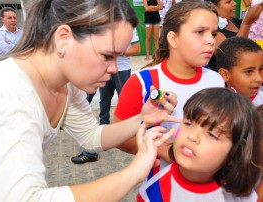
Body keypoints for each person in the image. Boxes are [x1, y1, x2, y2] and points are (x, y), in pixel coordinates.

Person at [0, 0, 181, 201]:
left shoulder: (66, 84)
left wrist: (143, 118)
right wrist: (135, 171)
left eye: (118, 57)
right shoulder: (9, 92)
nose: (114, 68)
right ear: (63, 38)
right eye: (107, 55)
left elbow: (91, 136)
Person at [113, 1, 225, 177]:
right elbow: (117, 136)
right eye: (200, 32)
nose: (211, 41)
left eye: (214, 33)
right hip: (161, 186)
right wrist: (164, 150)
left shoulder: (216, 80)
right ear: (173, 39)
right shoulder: (142, 82)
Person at [137, 87, 262, 201]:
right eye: (188, 124)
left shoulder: (245, 197)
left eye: (212, 135)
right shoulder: (152, 193)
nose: (192, 136)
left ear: (235, 154)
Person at [71, 28, 141, 164]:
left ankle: (133, 140)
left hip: (121, 70)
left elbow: (137, 49)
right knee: (104, 101)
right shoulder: (103, 25)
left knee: (127, 105)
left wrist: (117, 52)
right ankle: (99, 141)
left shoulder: (129, 28)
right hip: (104, 69)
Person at [207, 0, 262, 71]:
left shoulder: (236, 22)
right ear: (214, 7)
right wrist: (246, 23)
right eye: (228, 2)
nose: (235, 3)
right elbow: (231, 55)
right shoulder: (212, 30)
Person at [217, 36, 263, 106]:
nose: (259, 79)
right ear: (225, 75)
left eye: (260, 69)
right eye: (249, 71)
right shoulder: (215, 106)